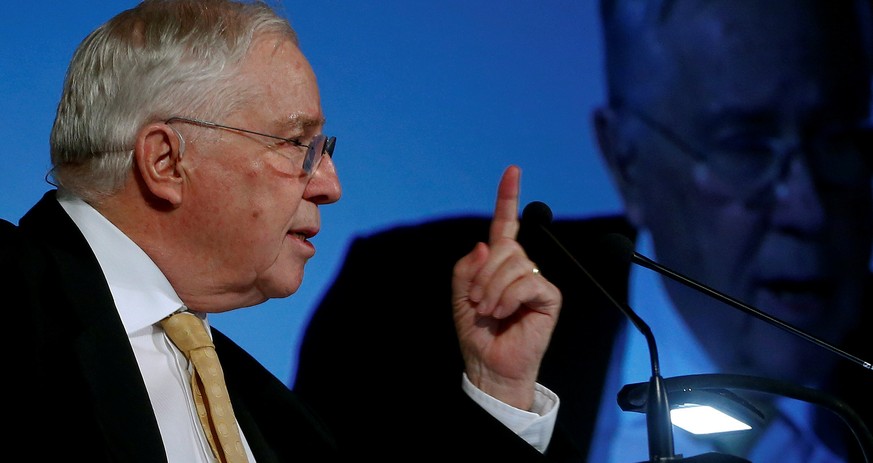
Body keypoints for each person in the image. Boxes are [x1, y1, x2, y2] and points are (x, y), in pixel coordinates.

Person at [295, 0, 873, 461]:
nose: (808, 208)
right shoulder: (402, 308)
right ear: (628, 162)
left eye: (840, 142)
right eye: (745, 148)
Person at [1, 0, 580, 461]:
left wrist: (498, 392)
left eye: (322, 150)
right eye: (296, 144)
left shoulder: (279, 419)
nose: (330, 184)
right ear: (167, 162)